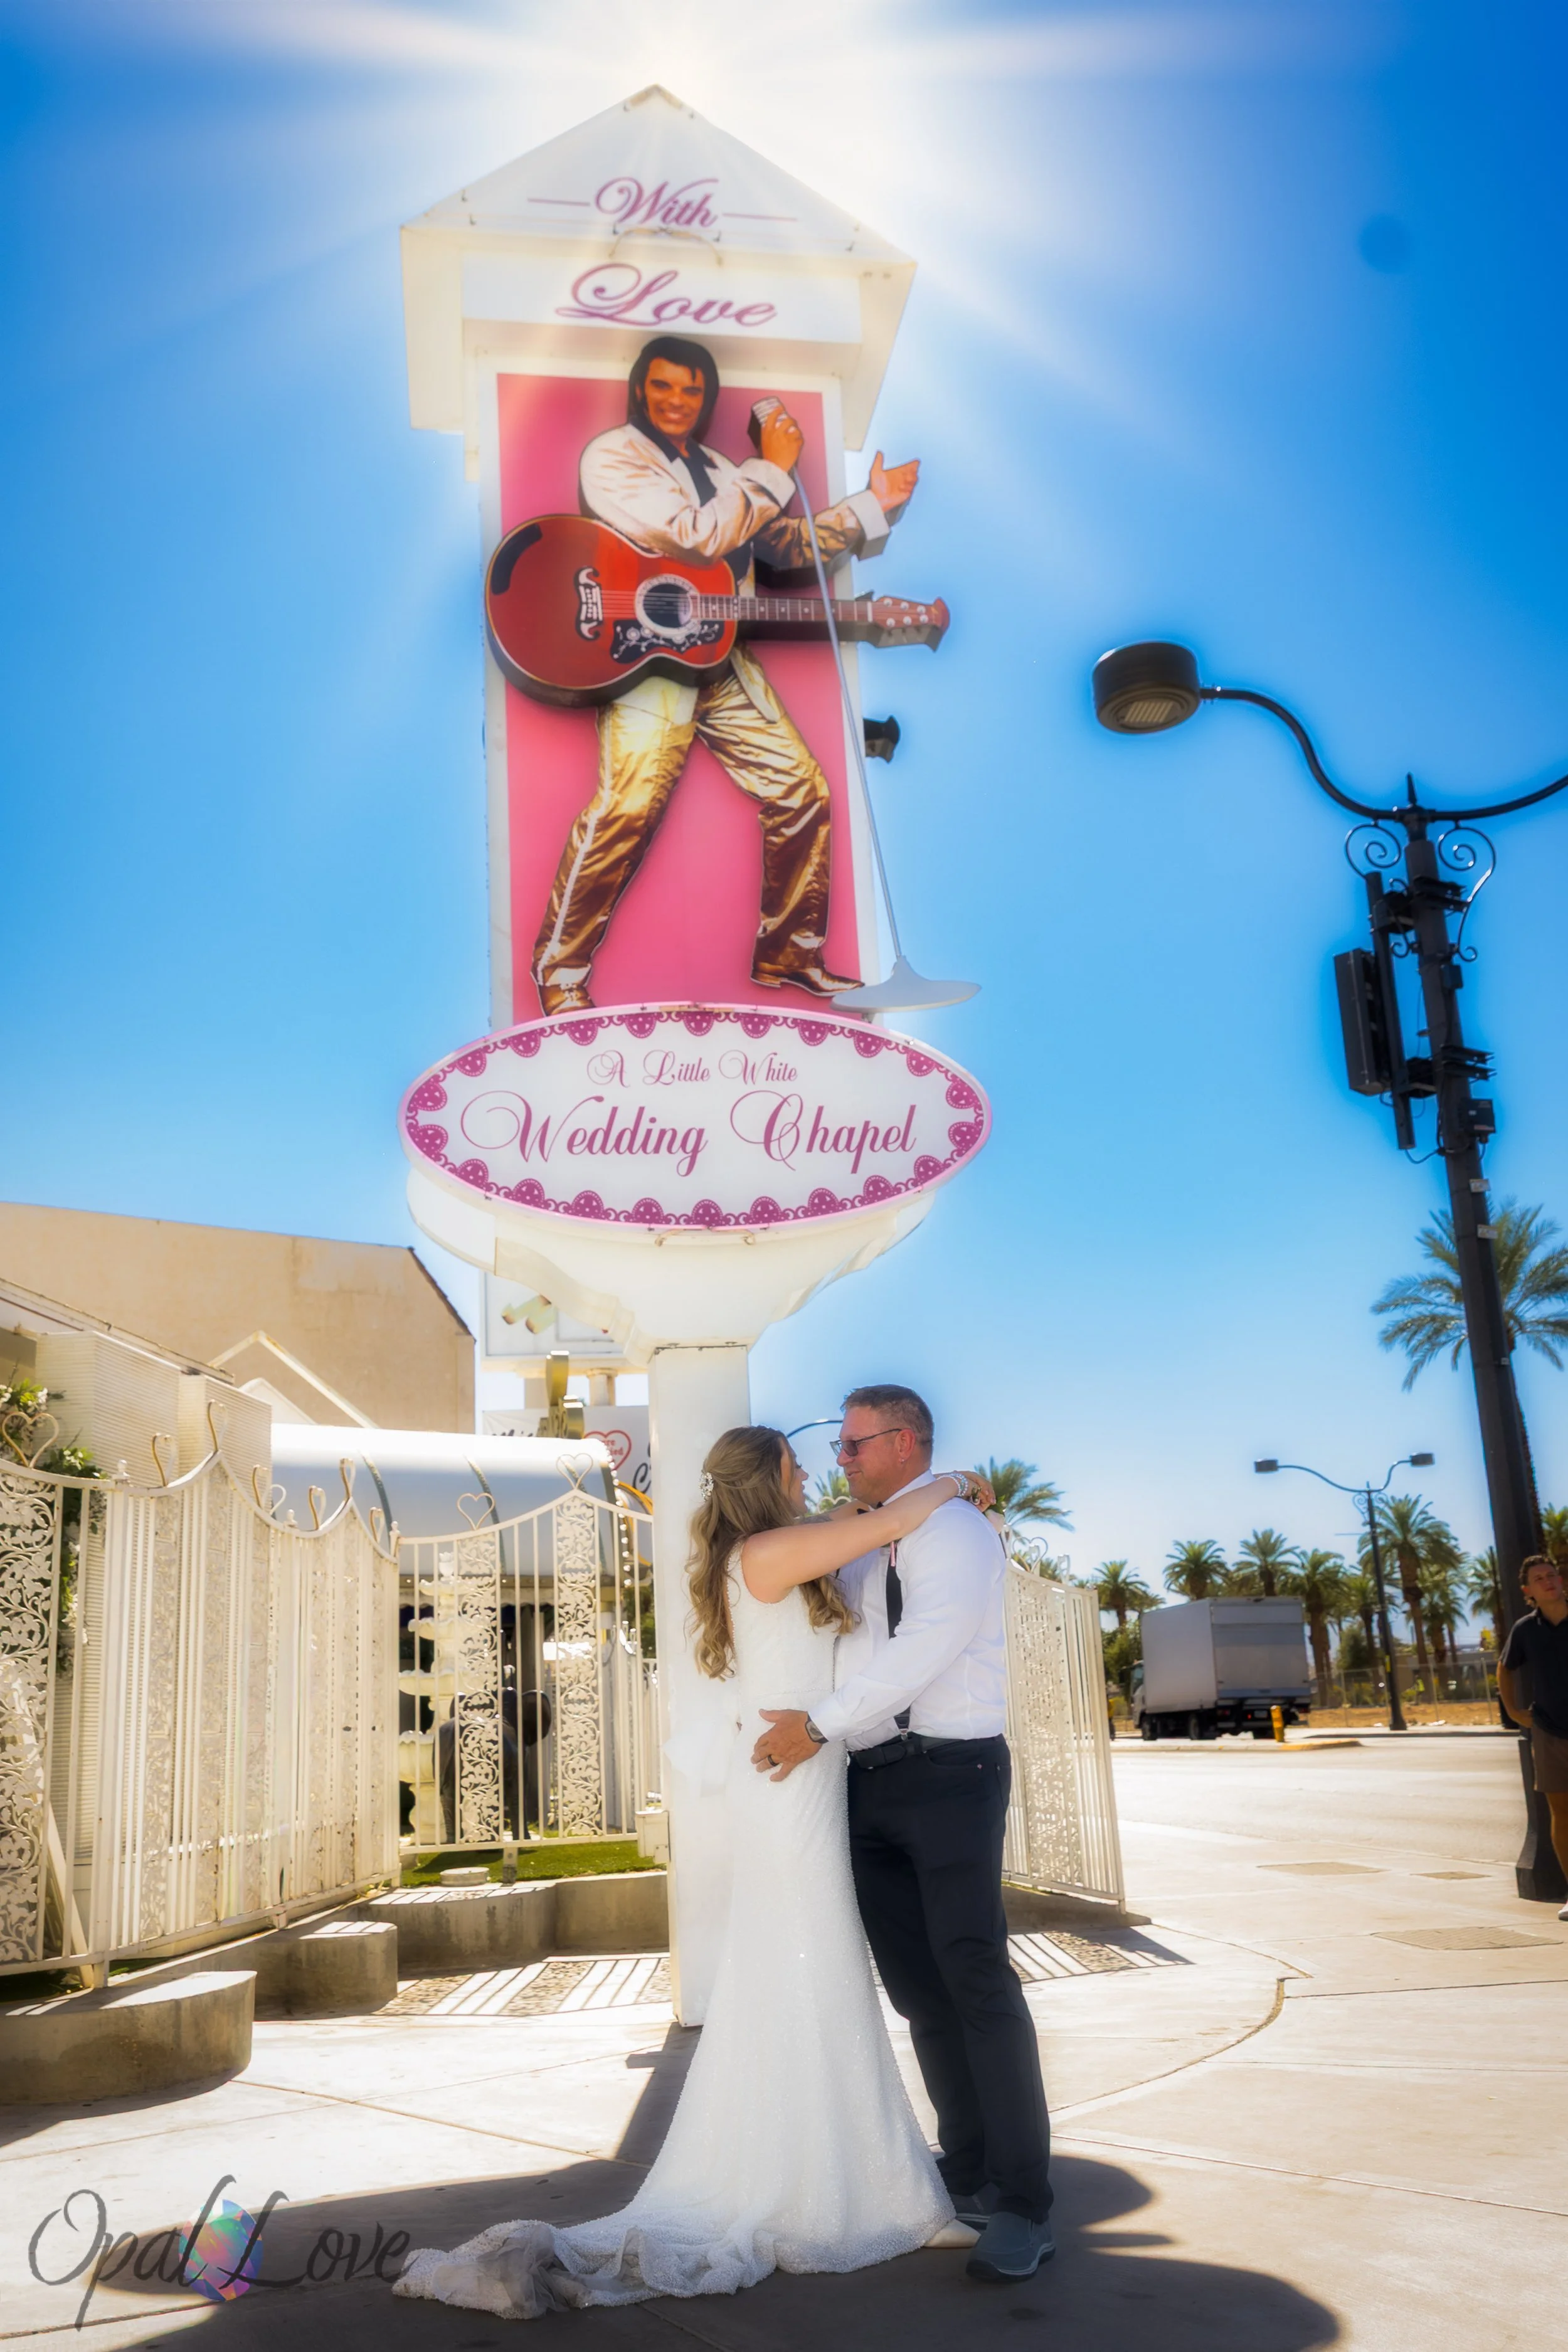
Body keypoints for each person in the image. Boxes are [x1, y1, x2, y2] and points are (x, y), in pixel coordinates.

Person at [395, 1424, 992, 2320]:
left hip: (799, 1778)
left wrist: (886, 1505)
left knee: (811, 1971)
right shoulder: (773, 1549)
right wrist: (956, 1481)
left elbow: (859, 1517)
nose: (812, 1470)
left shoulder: (756, 1549)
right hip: (793, 1786)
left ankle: (850, 2173)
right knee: (815, 1967)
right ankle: (850, 2188)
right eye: (796, 1463)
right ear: (768, 1480)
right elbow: (886, 1520)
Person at [753, 1384, 1055, 2284]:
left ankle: (1024, 2202)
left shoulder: (955, 1532)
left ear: (906, 1440)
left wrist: (818, 1722)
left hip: (952, 1776)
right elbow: (846, 1640)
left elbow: (923, 1645)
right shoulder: (867, 1531)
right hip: (869, 1781)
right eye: (837, 1446)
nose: (840, 1457)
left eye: (854, 1444)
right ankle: (960, 2173)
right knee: (920, 1991)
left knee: (974, 1976)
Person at [531, 334, 920, 1014]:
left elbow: (785, 547)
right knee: (627, 808)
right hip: (642, 655)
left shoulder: (721, 466)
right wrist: (772, 469)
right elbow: (693, 534)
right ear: (639, 389)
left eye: (691, 389)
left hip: (720, 654)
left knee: (803, 790)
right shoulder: (613, 456)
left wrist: (871, 505)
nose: (677, 401)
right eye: (662, 387)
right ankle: (560, 971)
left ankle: (789, 951)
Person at [1497, 1552, 1568, 1920]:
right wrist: (1512, 1710)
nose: (1549, 1581)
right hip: (1550, 1731)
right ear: (1529, 1590)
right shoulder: (1526, 1629)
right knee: (1562, 1814)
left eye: (1552, 1574)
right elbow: (1505, 1668)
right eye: (1539, 1578)